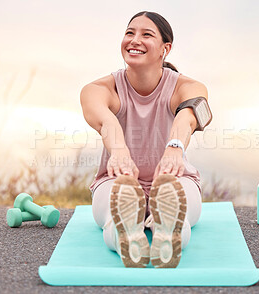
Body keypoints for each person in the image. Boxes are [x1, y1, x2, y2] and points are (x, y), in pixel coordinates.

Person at [79, 11, 212, 268]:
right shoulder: (100, 89)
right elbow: (105, 120)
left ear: (166, 49)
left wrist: (175, 147)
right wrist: (118, 152)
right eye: (130, 33)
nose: (134, 40)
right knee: (114, 216)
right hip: (118, 180)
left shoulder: (186, 86)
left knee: (177, 216)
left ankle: (167, 232)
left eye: (146, 34)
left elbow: (190, 114)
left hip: (176, 179)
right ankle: (128, 237)